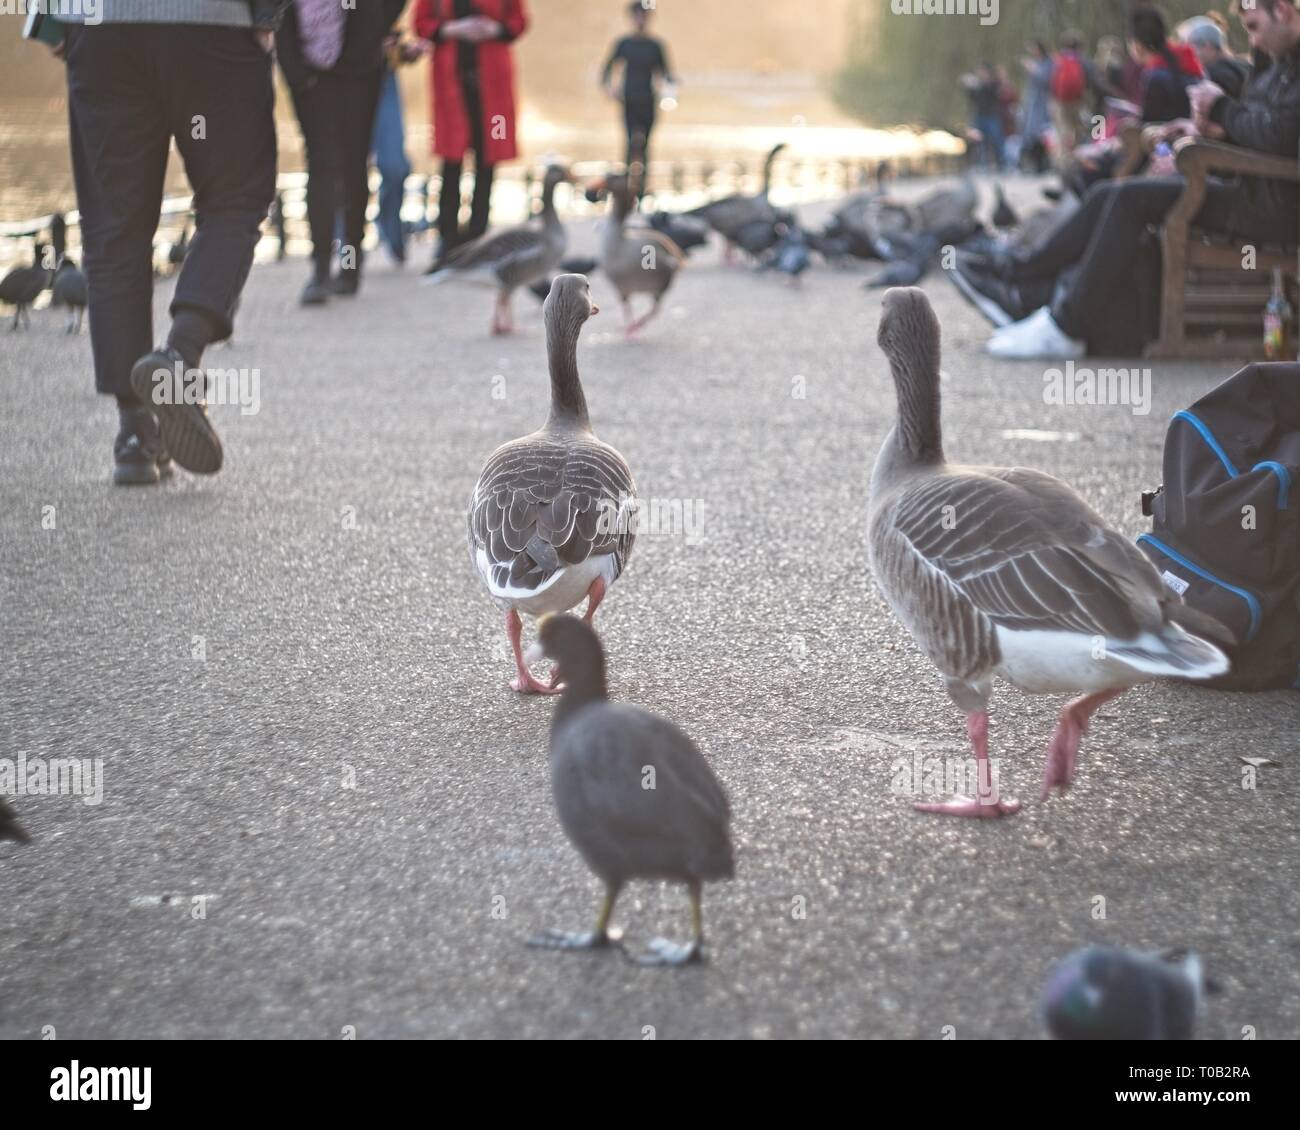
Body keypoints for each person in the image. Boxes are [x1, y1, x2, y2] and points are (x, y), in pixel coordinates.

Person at [956, 0, 1300, 360]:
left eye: (1254, 27)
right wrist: (1207, 131)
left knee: (1129, 199)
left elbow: (1281, 136)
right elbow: (1260, 130)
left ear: (1283, 10)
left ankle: (1066, 325)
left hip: (1274, 208)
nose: (1252, 41)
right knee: (1109, 192)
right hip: (1247, 187)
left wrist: (1222, 111)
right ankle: (1022, 282)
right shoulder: (1277, 62)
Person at [56, 1, 285, 486]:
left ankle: (135, 435)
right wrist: (269, 14)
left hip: (100, 27)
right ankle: (179, 355)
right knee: (235, 198)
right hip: (213, 25)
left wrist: (49, 18)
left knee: (113, 224)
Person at [277, 1, 407, 306]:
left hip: (360, 64)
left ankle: (349, 266)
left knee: (353, 164)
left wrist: (375, 28)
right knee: (321, 162)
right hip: (306, 66)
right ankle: (320, 269)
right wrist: (294, 69)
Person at [414, 0, 529, 271]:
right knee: (451, 160)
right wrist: (453, 29)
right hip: (450, 81)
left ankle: (479, 236)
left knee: (488, 159)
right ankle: (448, 240)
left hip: (492, 82)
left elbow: (519, 21)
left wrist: (494, 29)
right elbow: (421, 24)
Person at [601, 0, 677, 173]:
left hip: (648, 100)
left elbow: (666, 74)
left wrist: (671, 91)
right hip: (629, 99)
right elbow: (606, 70)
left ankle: (642, 187)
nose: (641, 19)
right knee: (629, 142)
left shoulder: (656, 46)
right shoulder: (624, 44)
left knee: (646, 145)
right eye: (638, 16)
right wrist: (610, 89)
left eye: (644, 16)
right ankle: (626, 183)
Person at [372, 36, 427, 265]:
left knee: (396, 166)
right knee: (343, 167)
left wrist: (402, 50)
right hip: (341, 74)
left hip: (383, 74)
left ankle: (390, 227)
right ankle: (345, 253)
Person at [1050, 31, 1093, 166]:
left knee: (1064, 134)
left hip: (1060, 102)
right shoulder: (1082, 60)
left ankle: (1064, 164)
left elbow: (1051, 82)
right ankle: (1077, 161)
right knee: (1078, 132)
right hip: (1078, 102)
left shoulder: (1058, 60)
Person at [1183, 18, 1252, 97]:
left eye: (1190, 47)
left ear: (1207, 47)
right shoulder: (1244, 65)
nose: (1188, 53)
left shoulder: (1213, 76)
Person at [962, 62, 1005, 170]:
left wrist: (978, 85)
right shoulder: (978, 86)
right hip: (979, 116)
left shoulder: (992, 84)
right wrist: (970, 88)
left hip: (991, 116)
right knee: (980, 142)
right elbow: (973, 99)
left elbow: (995, 92)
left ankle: (1002, 163)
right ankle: (983, 165)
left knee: (996, 140)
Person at [1020, 41, 1054, 173]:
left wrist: (1032, 70)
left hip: (1044, 103)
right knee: (1032, 135)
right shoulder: (1037, 62)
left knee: (1045, 134)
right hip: (1033, 103)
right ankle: (1036, 165)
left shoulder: (1048, 63)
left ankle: (1045, 164)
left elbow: (1046, 80)